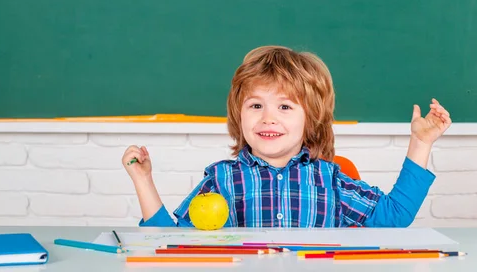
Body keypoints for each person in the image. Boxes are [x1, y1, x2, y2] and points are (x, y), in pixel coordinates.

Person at [122, 45, 452, 228]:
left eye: (284, 106)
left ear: (311, 120)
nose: (268, 117)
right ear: (239, 115)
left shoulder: (329, 179)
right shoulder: (223, 179)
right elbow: (168, 242)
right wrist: (143, 180)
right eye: (255, 105)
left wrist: (421, 143)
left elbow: (394, 218)